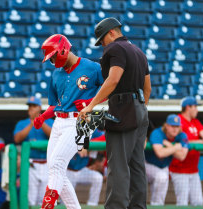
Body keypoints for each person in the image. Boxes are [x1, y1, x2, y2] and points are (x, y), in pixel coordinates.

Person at [80, 17, 151, 209]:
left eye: (102, 39)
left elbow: (112, 80)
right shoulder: (138, 51)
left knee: (118, 166)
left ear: (112, 32)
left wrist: (91, 106)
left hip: (123, 109)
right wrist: (140, 108)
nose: (102, 44)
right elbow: (148, 88)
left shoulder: (115, 48)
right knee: (137, 167)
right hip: (140, 110)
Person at [33, 34, 104, 209]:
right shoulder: (56, 74)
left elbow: (112, 87)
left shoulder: (92, 67)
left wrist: (92, 103)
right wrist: (43, 116)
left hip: (82, 121)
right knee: (55, 170)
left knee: (56, 164)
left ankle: (47, 205)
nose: (53, 61)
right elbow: (56, 105)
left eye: (53, 56)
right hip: (59, 121)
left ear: (63, 48)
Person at [169, 96, 203, 206]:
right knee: (182, 203)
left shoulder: (195, 122)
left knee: (198, 202)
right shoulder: (177, 120)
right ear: (188, 107)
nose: (197, 110)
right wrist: (196, 142)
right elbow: (177, 140)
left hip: (193, 170)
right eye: (195, 107)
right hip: (180, 170)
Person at [13, 96, 53, 206]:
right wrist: (32, 123)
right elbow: (17, 139)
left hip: (46, 164)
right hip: (30, 164)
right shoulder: (22, 123)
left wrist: (40, 120)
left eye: (34, 106)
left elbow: (53, 135)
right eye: (29, 106)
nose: (31, 108)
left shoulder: (48, 121)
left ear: (40, 107)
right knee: (30, 199)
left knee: (44, 199)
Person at [145, 114, 189, 206]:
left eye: (177, 126)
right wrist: (176, 147)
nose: (175, 129)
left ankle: (156, 206)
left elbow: (182, 156)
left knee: (161, 183)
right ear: (166, 126)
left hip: (163, 166)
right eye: (172, 126)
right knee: (161, 178)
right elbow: (160, 154)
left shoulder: (182, 135)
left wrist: (169, 145)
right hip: (147, 164)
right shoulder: (157, 132)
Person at [66, 131, 106, 206]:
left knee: (97, 178)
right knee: (65, 202)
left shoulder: (92, 130)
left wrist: (97, 162)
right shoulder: (69, 128)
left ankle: (92, 205)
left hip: (82, 170)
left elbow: (104, 137)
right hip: (67, 171)